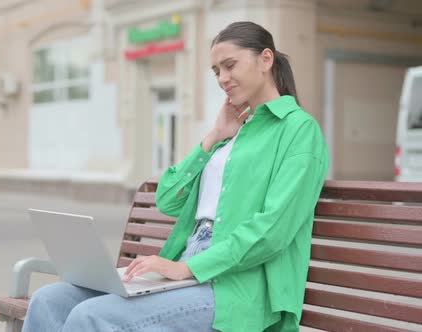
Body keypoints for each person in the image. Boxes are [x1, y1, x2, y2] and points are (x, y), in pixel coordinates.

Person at [21, 21, 329, 332]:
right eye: (216, 71)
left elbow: (273, 230)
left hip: (237, 287)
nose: (222, 78)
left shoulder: (299, 130)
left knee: (92, 316)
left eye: (229, 65)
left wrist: (187, 268)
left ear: (265, 59)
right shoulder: (232, 133)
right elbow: (168, 199)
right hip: (187, 265)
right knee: (49, 300)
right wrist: (213, 137)